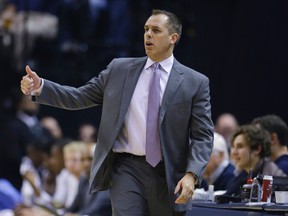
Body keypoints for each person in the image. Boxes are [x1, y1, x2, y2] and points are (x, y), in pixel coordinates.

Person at [20, 9, 214, 216]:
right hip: (126, 169)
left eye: (156, 30)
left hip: (168, 173)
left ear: (173, 38)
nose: (148, 34)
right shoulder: (119, 69)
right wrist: (40, 86)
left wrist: (191, 174)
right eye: (146, 29)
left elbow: (202, 135)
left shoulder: (195, 82)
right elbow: (79, 97)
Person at [225, 124, 286, 197]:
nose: (234, 152)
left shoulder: (270, 177)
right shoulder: (243, 175)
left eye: (240, 146)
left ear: (257, 149)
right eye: (233, 146)